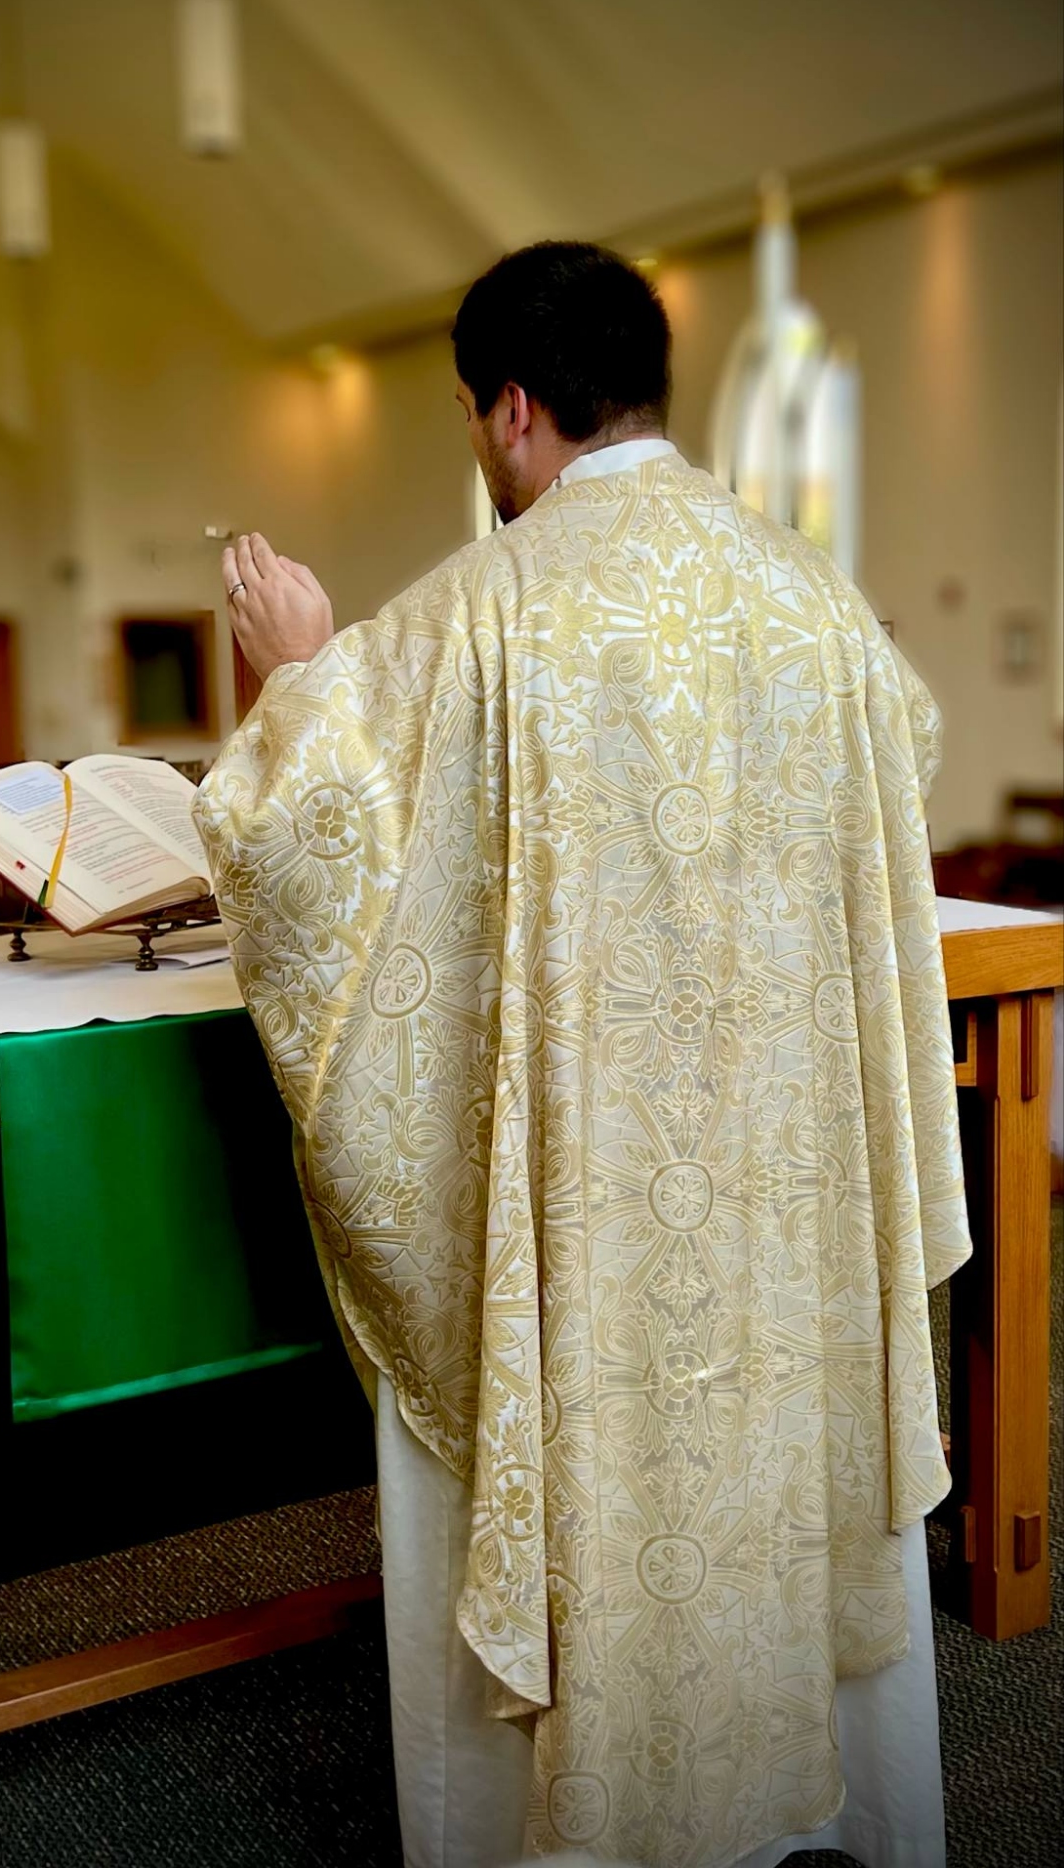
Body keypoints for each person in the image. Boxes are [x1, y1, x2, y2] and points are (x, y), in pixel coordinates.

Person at [194, 243, 968, 1868]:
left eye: (474, 414)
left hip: (581, 1206)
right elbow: (902, 755)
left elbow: (311, 841)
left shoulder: (481, 610)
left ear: (513, 408)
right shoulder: (813, 598)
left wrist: (302, 671)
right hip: (780, 1184)